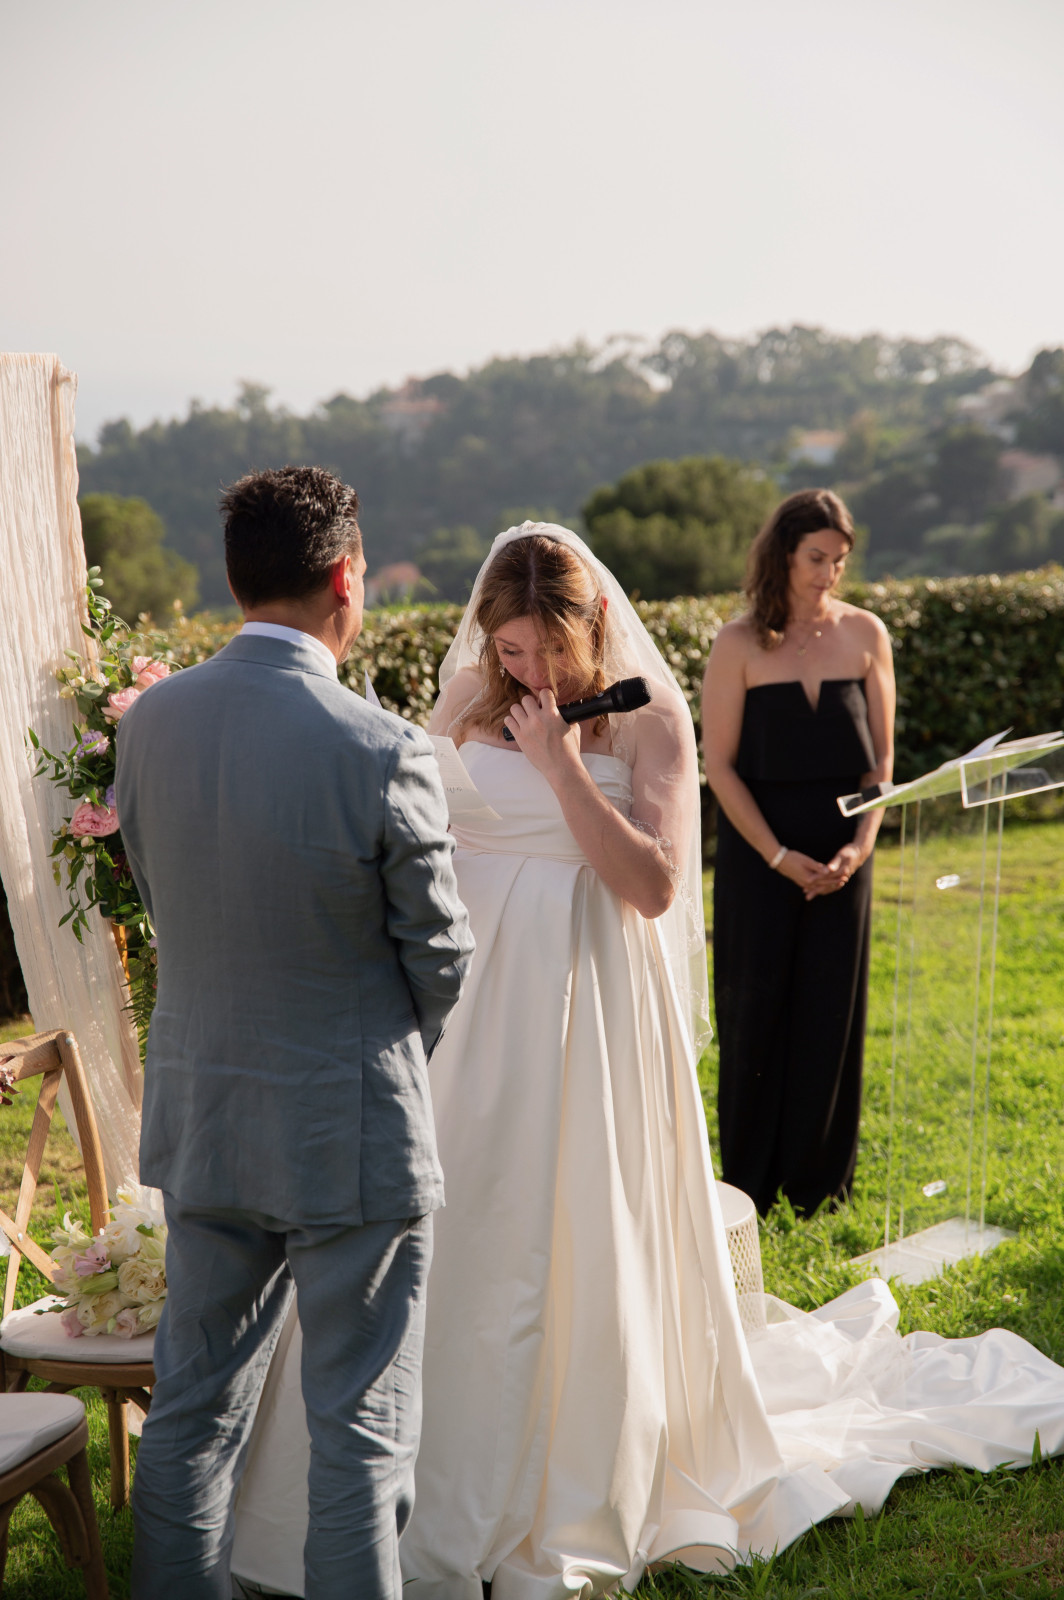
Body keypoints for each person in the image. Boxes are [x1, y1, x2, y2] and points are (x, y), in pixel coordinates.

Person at [231, 524, 1064, 1600]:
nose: (530, 671)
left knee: (565, 1218)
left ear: (590, 628)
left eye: (548, 650)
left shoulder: (648, 717)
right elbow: (426, 830)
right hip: (465, 999)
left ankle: (565, 1470)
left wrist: (559, 767)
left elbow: (655, 885)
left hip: (581, 993)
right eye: (511, 650)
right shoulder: (469, 698)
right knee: (448, 1210)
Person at [115, 465, 474, 1600]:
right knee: (361, 1431)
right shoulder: (381, 745)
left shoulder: (150, 721)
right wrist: (379, 1055)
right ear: (346, 580)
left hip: (205, 1111)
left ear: (234, 579)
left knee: (189, 1414)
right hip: (349, 1123)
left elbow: (156, 892)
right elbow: (442, 953)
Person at [701, 489, 894, 1216]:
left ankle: (821, 1185)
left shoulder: (867, 634)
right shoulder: (737, 643)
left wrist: (859, 849)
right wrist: (779, 856)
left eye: (839, 561)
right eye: (817, 558)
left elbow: (881, 763)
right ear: (783, 553)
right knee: (756, 1012)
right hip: (759, 858)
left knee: (830, 1012)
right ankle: (748, 1185)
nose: (828, 574)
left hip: (846, 859)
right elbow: (719, 767)